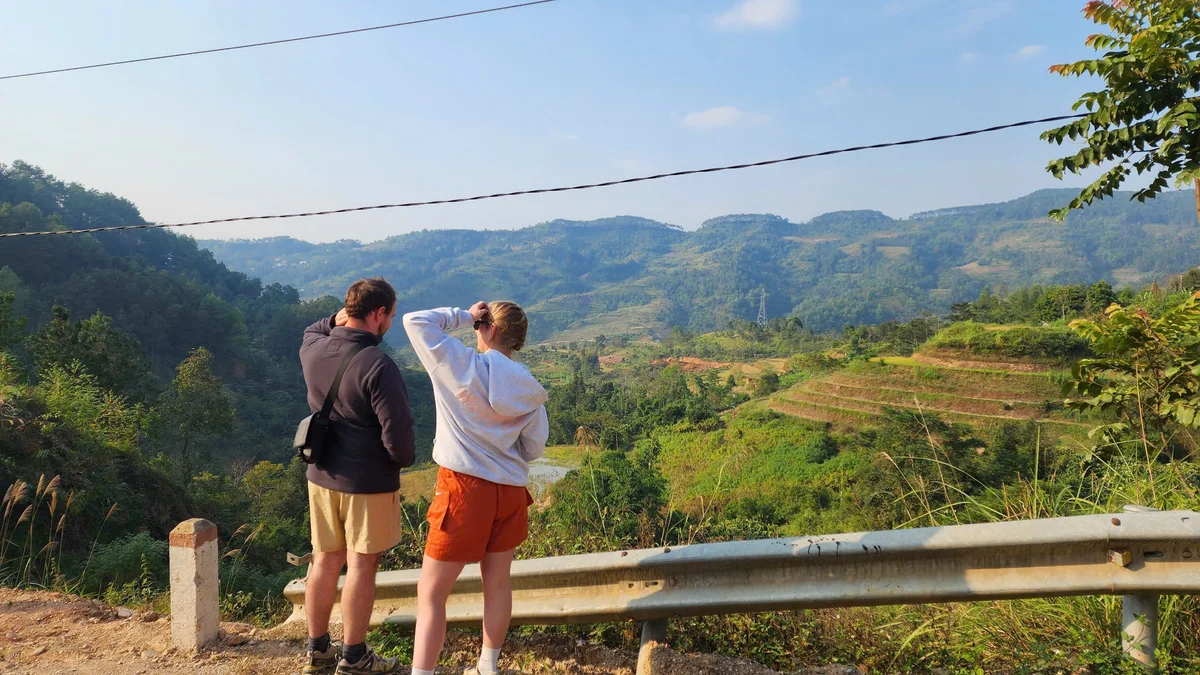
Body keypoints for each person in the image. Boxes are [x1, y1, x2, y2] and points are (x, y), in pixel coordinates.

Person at [403, 301, 549, 675]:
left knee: (432, 593)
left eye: (479, 324)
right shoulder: (528, 386)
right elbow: (533, 448)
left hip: (464, 489)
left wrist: (464, 315)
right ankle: (488, 666)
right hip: (510, 492)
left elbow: (415, 320)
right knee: (497, 585)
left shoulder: (460, 364)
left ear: (489, 328)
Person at [299, 277, 417, 675]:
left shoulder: (313, 347)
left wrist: (339, 317)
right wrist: (399, 462)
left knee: (324, 561)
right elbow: (399, 441)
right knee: (362, 567)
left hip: (320, 476)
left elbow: (315, 327)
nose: (390, 324)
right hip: (366, 483)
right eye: (390, 316)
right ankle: (354, 657)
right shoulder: (379, 366)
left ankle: (318, 652)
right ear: (378, 313)